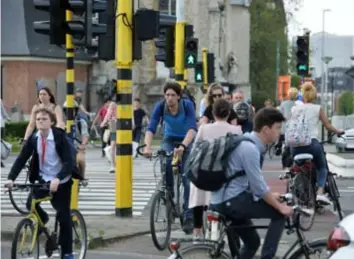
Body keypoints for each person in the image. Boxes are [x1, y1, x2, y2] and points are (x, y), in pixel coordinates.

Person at [210, 107, 293, 259]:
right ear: (266, 129)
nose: (279, 132)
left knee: (252, 242)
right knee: (279, 214)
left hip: (224, 199)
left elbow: (248, 184)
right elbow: (259, 187)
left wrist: (270, 195)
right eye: (277, 128)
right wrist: (280, 206)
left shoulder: (246, 142)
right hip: (231, 201)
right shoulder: (249, 148)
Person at [6, 108, 75, 259]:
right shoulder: (34, 138)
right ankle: (42, 219)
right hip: (44, 179)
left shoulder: (59, 137)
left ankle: (68, 252)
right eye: (38, 119)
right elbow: (22, 158)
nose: (41, 121)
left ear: (51, 122)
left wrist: (59, 178)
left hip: (61, 181)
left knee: (63, 216)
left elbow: (69, 161)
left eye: (44, 119)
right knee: (31, 203)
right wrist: (11, 178)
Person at [144, 81, 197, 234]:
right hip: (169, 139)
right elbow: (151, 127)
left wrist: (183, 146)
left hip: (186, 140)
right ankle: (169, 196)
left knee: (187, 180)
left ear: (179, 96)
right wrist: (147, 146)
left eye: (173, 95)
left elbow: (192, 128)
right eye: (167, 95)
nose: (170, 98)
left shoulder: (187, 106)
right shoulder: (160, 106)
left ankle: (188, 216)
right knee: (165, 163)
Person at [189, 99, 242, 242]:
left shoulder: (204, 129)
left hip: (204, 176)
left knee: (197, 194)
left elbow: (195, 151)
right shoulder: (236, 130)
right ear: (229, 113)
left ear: (213, 113)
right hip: (224, 177)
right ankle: (231, 233)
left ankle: (196, 232)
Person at [291, 82, 343, 205]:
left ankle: (295, 183)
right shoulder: (317, 109)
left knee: (296, 166)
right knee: (321, 168)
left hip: (296, 145)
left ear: (302, 96)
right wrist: (338, 131)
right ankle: (320, 193)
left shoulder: (295, 109)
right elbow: (327, 126)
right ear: (315, 96)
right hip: (312, 144)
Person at [275, 87, 298, 156]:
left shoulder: (283, 103)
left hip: (284, 124)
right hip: (293, 126)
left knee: (282, 137)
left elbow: (280, 115)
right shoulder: (296, 105)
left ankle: (279, 146)